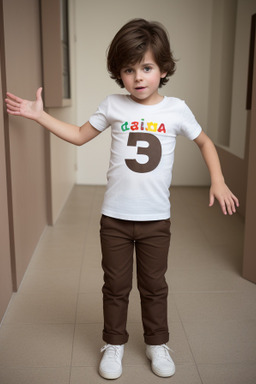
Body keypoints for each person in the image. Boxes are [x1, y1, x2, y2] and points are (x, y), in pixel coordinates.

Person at [5, 18, 239, 380]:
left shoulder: (176, 109)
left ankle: (156, 342)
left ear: (163, 69)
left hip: (156, 220)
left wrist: (218, 180)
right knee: (114, 286)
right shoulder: (113, 105)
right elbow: (81, 135)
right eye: (129, 70)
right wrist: (40, 117)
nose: (138, 77)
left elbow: (205, 141)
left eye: (146, 67)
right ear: (119, 73)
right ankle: (113, 343)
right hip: (114, 219)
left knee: (154, 285)